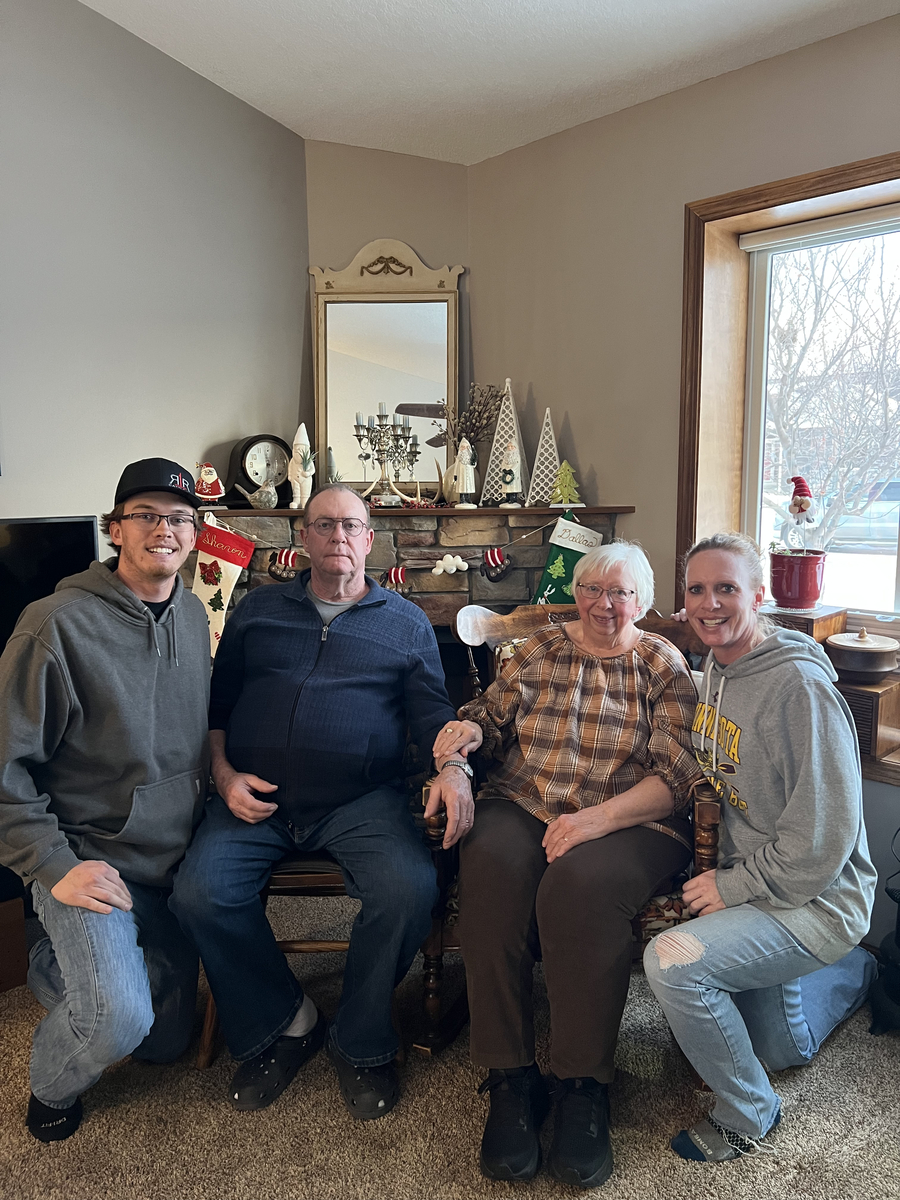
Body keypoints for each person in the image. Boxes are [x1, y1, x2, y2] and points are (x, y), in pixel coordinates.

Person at [171, 484, 472, 1119]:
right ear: (302, 539)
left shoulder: (406, 621)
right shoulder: (258, 610)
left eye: (351, 526)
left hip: (363, 800)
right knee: (199, 893)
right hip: (254, 796)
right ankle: (287, 1018)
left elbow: (433, 713)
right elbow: (216, 707)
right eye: (324, 525)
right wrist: (224, 778)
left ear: (370, 540)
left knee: (406, 891)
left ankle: (361, 1041)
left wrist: (451, 767)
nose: (339, 537)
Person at [433, 541, 702, 1188]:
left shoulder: (663, 663)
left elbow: (677, 775)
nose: (605, 604)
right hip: (525, 800)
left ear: (642, 601)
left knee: (577, 888)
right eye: (592, 589)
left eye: (621, 593)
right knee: (492, 870)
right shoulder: (533, 651)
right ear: (575, 592)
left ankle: (583, 1085)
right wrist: (461, 744)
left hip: (632, 816)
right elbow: (488, 722)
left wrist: (592, 822)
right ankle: (509, 1077)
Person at [644, 532, 877, 1163]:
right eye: (696, 589)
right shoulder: (718, 667)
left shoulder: (799, 690)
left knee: (673, 962)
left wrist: (731, 887)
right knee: (778, 1047)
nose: (709, 603)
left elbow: (821, 841)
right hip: (763, 880)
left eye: (726, 588)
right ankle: (850, 975)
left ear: (758, 594)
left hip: (816, 895)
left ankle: (750, 1110)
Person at [0, 458, 210, 1142]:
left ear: (195, 535)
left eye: (180, 518)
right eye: (147, 515)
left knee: (161, 1041)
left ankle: (57, 962)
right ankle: (51, 1086)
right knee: (116, 1021)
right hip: (90, 861)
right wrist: (57, 867)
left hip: (169, 861)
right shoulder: (53, 625)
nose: (165, 529)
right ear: (114, 528)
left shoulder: (194, 614)